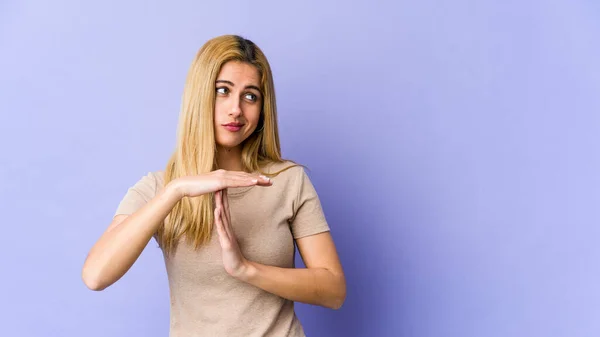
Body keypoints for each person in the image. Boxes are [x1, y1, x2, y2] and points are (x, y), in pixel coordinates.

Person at [82, 34, 346, 337]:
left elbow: (333, 290)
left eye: (250, 96)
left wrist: (246, 269)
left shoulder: (287, 180)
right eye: (223, 91)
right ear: (200, 95)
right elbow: (95, 275)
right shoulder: (159, 188)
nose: (236, 109)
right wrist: (176, 191)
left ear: (262, 109)